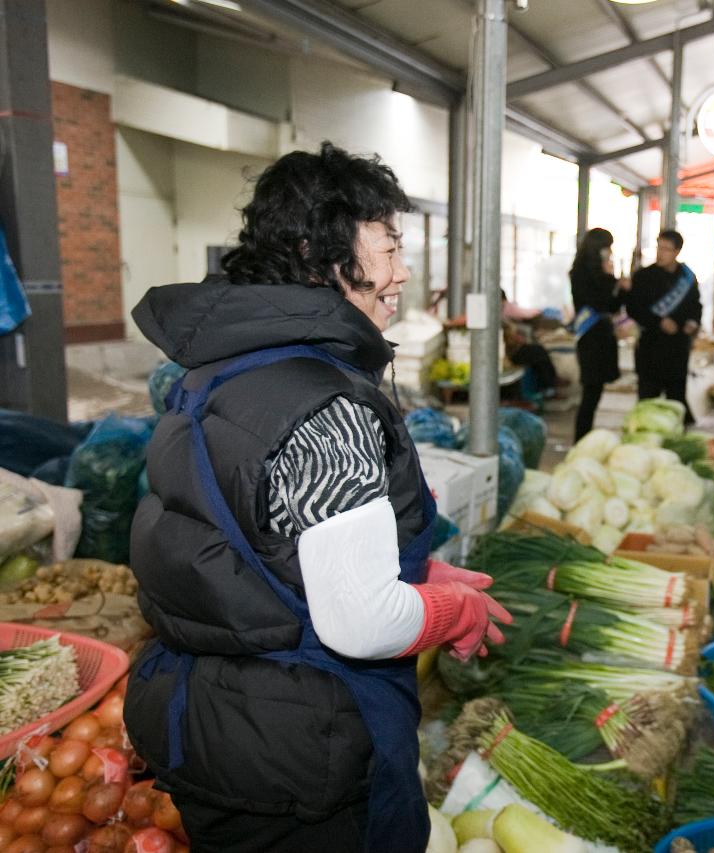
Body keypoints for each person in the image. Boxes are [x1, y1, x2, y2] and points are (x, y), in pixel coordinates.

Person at [123, 142, 512, 853]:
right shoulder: (324, 405)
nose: (401, 272)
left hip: (208, 720)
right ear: (320, 254)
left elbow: (258, 542)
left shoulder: (223, 368)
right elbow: (359, 621)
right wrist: (450, 608)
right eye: (388, 246)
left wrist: (416, 573)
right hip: (297, 746)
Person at [625, 229, 701, 425]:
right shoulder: (643, 276)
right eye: (659, 247)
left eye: (667, 249)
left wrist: (692, 323)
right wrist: (658, 322)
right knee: (647, 400)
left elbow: (696, 305)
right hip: (650, 347)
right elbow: (634, 308)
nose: (661, 253)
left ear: (677, 252)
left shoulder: (688, 277)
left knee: (676, 397)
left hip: (677, 348)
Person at [570, 227, 629, 440]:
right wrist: (611, 280)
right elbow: (598, 302)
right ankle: (581, 439)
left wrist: (618, 286)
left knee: (595, 392)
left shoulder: (599, 273)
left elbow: (612, 307)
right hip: (591, 338)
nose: (609, 252)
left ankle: (584, 437)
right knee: (590, 392)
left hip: (602, 336)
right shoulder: (582, 274)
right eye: (607, 247)